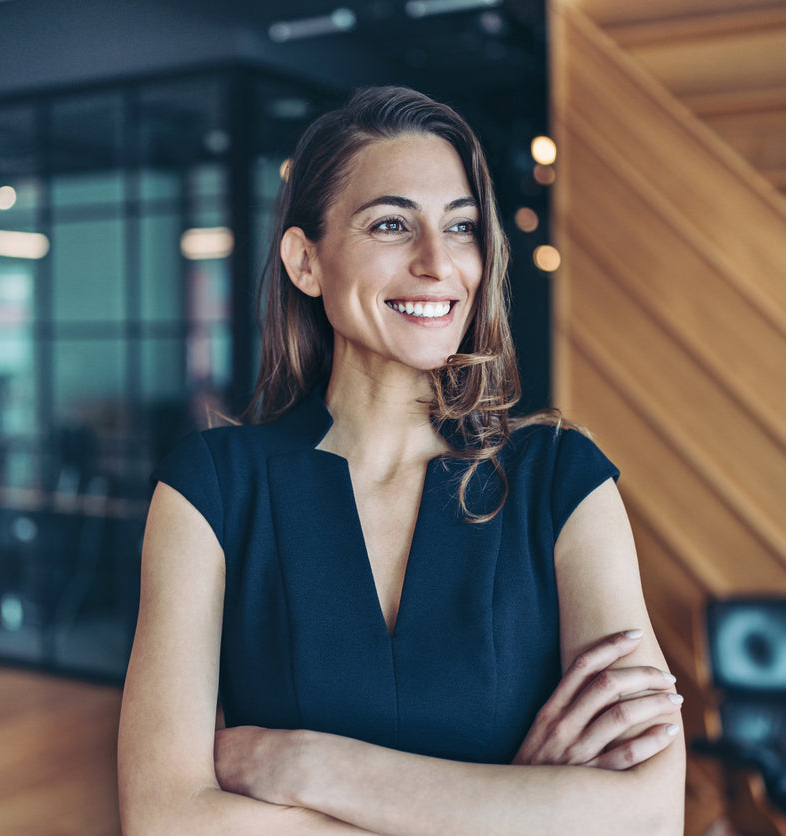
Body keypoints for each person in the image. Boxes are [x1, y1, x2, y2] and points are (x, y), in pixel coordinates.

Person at [118, 86, 685, 834]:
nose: (437, 262)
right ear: (305, 261)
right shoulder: (211, 491)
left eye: (461, 228)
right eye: (391, 224)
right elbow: (165, 822)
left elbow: (646, 819)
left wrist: (309, 768)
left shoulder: (561, 480)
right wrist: (518, 805)